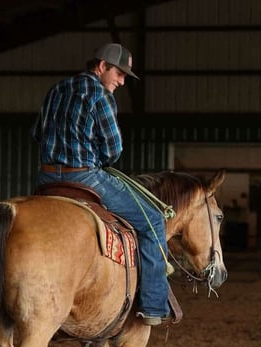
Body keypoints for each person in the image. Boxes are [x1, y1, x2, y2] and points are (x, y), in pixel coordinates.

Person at [32, 43, 171, 325]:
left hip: (46, 178)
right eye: (119, 73)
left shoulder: (57, 89)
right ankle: (154, 306)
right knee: (154, 220)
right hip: (85, 177)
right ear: (102, 66)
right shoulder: (100, 95)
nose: (121, 81)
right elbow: (112, 150)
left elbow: (37, 134)